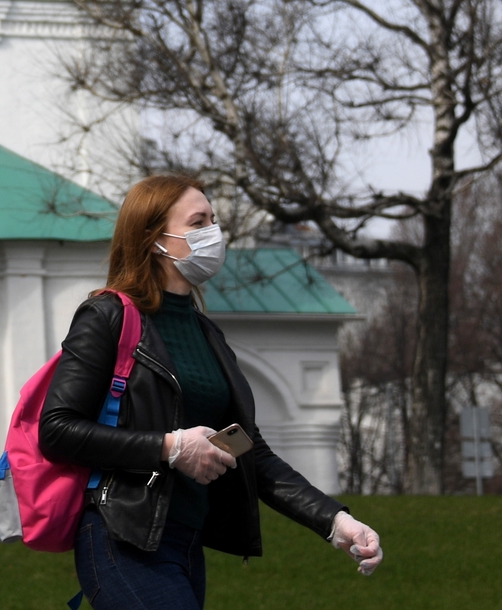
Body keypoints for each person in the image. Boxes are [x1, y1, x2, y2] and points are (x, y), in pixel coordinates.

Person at [39, 175, 382, 608]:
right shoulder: (106, 315)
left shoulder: (207, 334)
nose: (212, 235)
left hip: (184, 543)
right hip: (122, 537)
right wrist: (171, 447)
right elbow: (57, 429)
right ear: (152, 237)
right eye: (198, 222)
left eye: (213, 222)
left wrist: (336, 520)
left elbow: (248, 450)